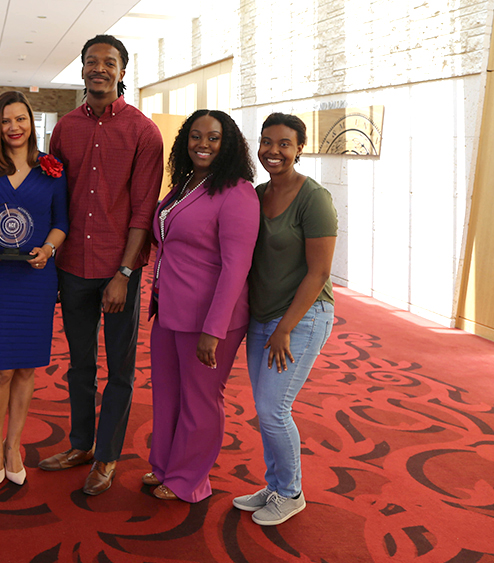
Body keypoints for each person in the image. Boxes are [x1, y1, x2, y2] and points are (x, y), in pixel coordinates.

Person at [39, 34, 164, 496]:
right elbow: (56, 200)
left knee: (121, 371)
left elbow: (142, 212)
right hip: (72, 266)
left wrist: (126, 274)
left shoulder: (143, 132)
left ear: (122, 71)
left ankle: (108, 456)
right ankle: (81, 444)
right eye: (91, 62)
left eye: (108, 63)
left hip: (119, 271)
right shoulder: (65, 129)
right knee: (78, 365)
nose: (99, 69)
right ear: (83, 70)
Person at [144, 110, 259, 502]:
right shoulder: (185, 184)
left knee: (200, 400)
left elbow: (236, 268)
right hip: (169, 309)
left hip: (210, 319)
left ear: (227, 143)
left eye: (213, 137)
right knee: (167, 394)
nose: (203, 144)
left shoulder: (237, 191)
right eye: (195, 136)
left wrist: (214, 329)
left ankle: (188, 480)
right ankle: (164, 466)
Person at [232, 112, 337, 525]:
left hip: (302, 317)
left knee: (275, 409)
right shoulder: (256, 195)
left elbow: (320, 272)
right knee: (264, 408)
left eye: (284, 144)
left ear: (299, 148)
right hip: (263, 317)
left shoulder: (314, 198)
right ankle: (275, 485)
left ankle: (291, 492)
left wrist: (285, 328)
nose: (273, 151)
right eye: (266, 142)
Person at [0, 91, 68, 486]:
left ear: (31, 122)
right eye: (7, 120)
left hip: (36, 278)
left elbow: (63, 221)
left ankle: (14, 444)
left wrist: (49, 248)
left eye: (21, 119)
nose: (14, 127)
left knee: (27, 367)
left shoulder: (52, 169)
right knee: (0, 369)